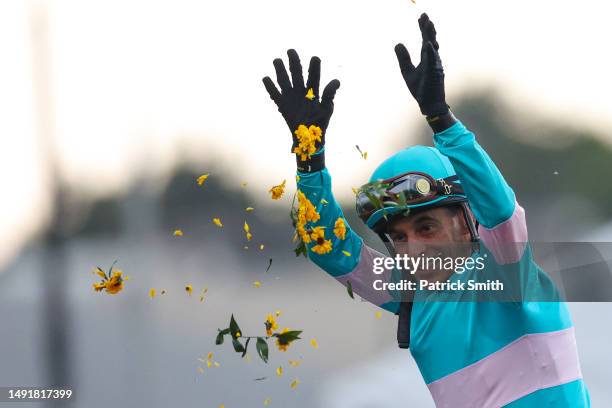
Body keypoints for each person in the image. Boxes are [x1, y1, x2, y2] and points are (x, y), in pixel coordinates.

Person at [262, 13, 590, 407]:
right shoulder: (412, 294)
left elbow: (502, 213)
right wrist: (309, 157)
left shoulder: (507, 273)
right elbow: (329, 249)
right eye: (399, 238)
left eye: (427, 227)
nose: (413, 248)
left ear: (468, 222)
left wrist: (441, 119)